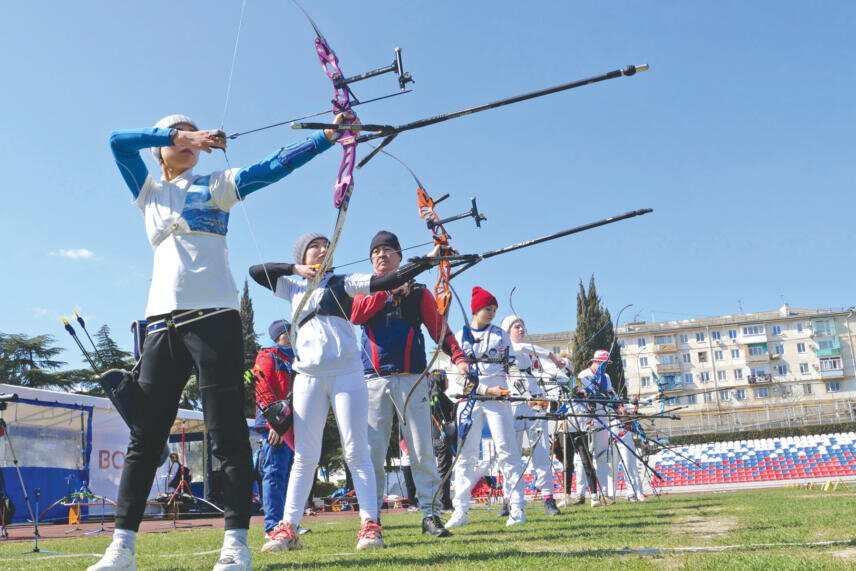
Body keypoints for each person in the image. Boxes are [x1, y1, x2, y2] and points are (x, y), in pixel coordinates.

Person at [89, 113, 346, 571]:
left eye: (192, 131)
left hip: (215, 319)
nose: (189, 137)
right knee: (145, 438)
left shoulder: (217, 184)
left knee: (226, 432)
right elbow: (116, 141)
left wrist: (327, 138)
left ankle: (235, 545)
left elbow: (272, 167)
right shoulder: (147, 193)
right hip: (160, 325)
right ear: (163, 146)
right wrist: (174, 134)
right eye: (178, 133)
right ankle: (122, 547)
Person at [248, 234, 449, 552]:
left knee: (356, 451)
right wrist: (296, 269)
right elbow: (256, 271)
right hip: (308, 376)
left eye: (328, 245)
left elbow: (393, 278)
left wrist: (429, 257)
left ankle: (371, 526)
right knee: (305, 456)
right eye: (316, 246)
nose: (325, 249)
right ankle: (288, 528)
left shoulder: (345, 281)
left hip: (347, 373)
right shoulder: (293, 287)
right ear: (304, 254)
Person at [350, 230, 469, 538]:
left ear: (400, 257)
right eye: (375, 251)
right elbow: (356, 315)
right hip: (374, 380)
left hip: (413, 380)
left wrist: (458, 356)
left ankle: (430, 513)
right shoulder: (364, 289)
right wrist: (388, 293)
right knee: (372, 452)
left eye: (388, 250)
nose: (380, 255)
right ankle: (371, 519)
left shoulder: (419, 292)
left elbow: (438, 328)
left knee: (422, 450)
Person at [445, 287, 527, 528]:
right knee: (465, 456)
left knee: (508, 452)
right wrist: (483, 390)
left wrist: (523, 393)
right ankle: (460, 511)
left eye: (494, 310)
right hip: (469, 400)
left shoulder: (501, 335)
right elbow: (457, 378)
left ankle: (517, 507)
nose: (491, 313)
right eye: (487, 309)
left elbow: (511, 367)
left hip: (499, 399)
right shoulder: (459, 338)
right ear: (475, 310)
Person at [499, 315, 571, 517]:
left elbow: (553, 371)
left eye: (523, 327)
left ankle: (548, 498)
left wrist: (562, 367)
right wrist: (552, 355)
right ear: (507, 332)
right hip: (512, 405)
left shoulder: (529, 355)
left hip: (534, 404)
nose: (522, 330)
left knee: (541, 451)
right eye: (517, 327)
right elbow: (526, 349)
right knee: (510, 455)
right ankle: (508, 500)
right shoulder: (510, 349)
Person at [252, 320, 302, 552]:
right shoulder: (268, 356)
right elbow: (263, 390)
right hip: (277, 427)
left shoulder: (299, 358)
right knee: (274, 474)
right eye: (291, 331)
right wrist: (275, 426)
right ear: (282, 334)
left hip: (295, 425)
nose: (296, 334)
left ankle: (289, 524)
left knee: (294, 475)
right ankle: (273, 526)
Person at [575, 349, 619, 508]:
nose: (606, 367)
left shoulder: (606, 377)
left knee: (602, 456)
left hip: (602, 418)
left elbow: (611, 395)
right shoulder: (583, 375)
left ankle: (604, 493)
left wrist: (618, 407)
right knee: (583, 459)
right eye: (604, 364)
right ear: (596, 362)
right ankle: (580, 494)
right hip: (586, 418)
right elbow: (577, 394)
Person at [429, 371, 455, 511]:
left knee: (442, 471)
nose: (448, 382)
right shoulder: (438, 396)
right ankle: (443, 502)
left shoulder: (432, 395)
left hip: (436, 436)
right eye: (446, 379)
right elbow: (445, 413)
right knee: (444, 471)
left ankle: (442, 501)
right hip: (442, 437)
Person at [399, 440, 419, 511]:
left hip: (415, 464)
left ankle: (415, 502)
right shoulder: (403, 442)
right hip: (407, 465)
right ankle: (411, 504)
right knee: (410, 485)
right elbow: (407, 452)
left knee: (415, 485)